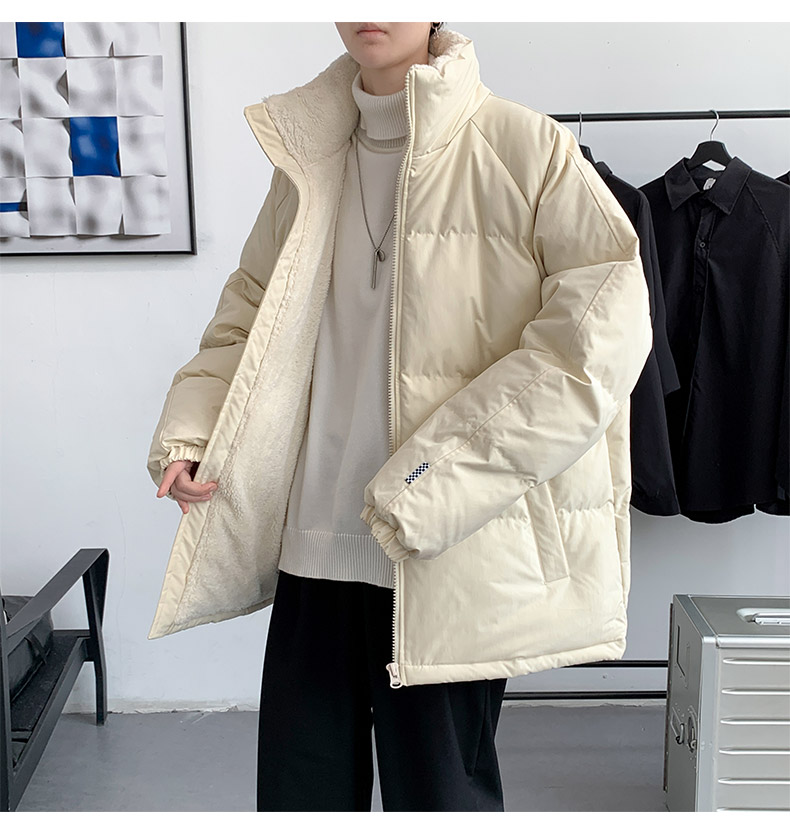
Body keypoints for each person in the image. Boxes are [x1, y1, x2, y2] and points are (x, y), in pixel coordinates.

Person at [149, 23, 653, 812]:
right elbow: (249, 313)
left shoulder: (526, 148)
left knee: (440, 802)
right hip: (313, 543)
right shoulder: (309, 154)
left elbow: (593, 347)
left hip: (445, 545)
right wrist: (196, 428)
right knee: (300, 800)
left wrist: (430, 484)